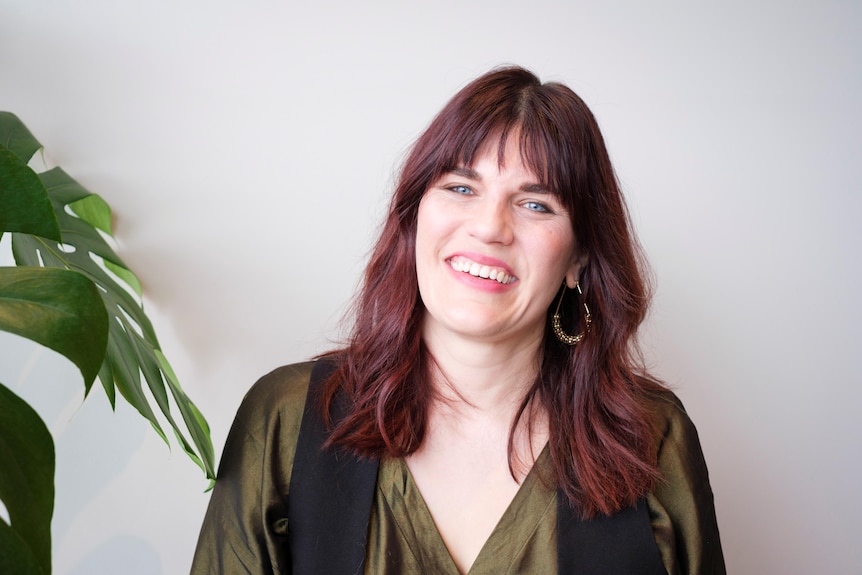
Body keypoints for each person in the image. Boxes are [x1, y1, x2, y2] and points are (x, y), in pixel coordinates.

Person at [191, 66, 725, 575]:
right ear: (415, 215)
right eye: (461, 188)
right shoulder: (287, 420)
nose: (490, 228)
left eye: (536, 204)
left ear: (578, 260)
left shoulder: (652, 438)